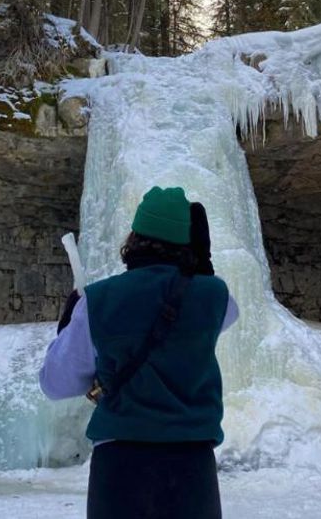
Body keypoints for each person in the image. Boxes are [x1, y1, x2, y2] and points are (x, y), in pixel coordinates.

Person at [40, 186, 239, 519]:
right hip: (192, 464)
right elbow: (224, 315)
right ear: (186, 243)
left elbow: (55, 384)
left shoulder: (98, 300)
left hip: (120, 464)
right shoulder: (214, 296)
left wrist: (68, 323)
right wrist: (201, 266)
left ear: (134, 238)